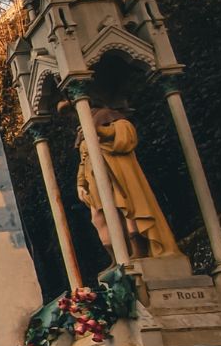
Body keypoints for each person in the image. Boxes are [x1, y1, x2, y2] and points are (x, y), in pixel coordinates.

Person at [73, 105, 179, 259]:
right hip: (95, 179)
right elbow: (83, 160)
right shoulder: (82, 130)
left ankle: (137, 248)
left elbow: (125, 135)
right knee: (98, 219)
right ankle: (117, 257)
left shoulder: (109, 117)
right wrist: (80, 183)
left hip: (114, 171)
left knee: (126, 208)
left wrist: (98, 130)